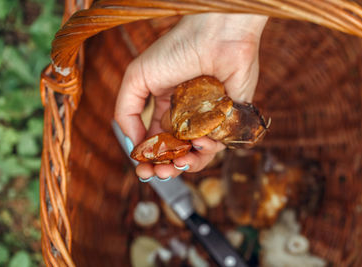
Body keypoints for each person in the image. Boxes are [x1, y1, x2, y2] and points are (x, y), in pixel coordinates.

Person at [115, 13, 268, 182]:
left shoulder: (202, 112)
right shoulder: (186, 118)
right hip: (194, 107)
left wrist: (231, 34)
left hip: (202, 103)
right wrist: (234, 35)